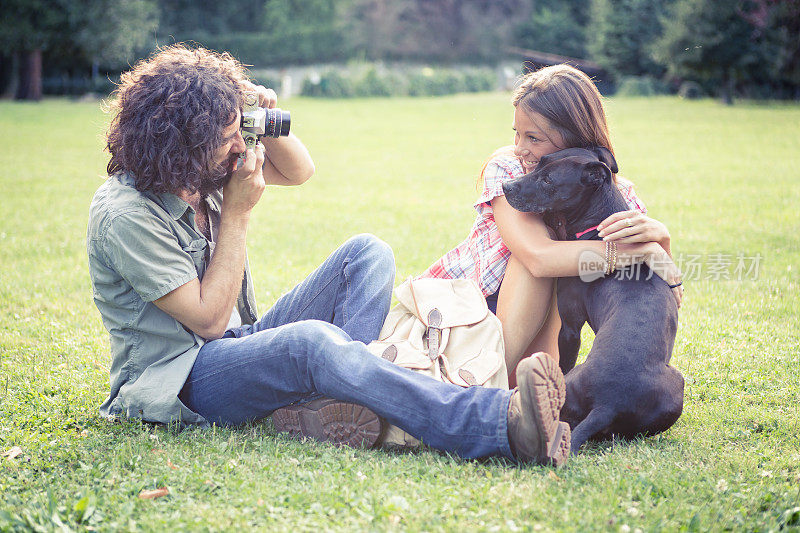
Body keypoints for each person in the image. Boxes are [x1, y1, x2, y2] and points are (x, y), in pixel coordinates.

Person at [86, 44, 572, 466]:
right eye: (228, 136)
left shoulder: (200, 168)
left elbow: (299, 171)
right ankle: (494, 424)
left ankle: (335, 399)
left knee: (368, 253)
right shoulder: (126, 213)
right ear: (184, 145)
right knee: (311, 344)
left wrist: (259, 118)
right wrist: (236, 215)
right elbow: (208, 322)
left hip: (236, 342)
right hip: (181, 380)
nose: (241, 146)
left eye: (241, 129)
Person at [420, 65, 683, 383]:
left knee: (571, 272)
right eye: (516, 133)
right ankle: (477, 388)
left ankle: (509, 391)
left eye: (534, 137)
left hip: (540, 345)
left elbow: (650, 292)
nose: (520, 147)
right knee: (547, 261)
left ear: (575, 139)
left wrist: (660, 242)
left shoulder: (615, 194)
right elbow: (539, 258)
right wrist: (640, 252)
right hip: (463, 320)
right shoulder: (511, 170)